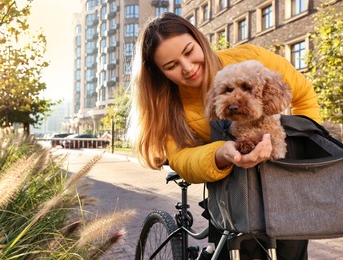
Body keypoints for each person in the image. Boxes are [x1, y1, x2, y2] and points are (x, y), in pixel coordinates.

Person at [128, 12, 321, 260]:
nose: (187, 68)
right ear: (160, 73)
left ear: (199, 40)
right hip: (230, 191)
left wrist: (301, 145)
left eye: (189, 52)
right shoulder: (167, 105)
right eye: (171, 66)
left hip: (284, 187)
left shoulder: (252, 59)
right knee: (232, 248)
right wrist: (221, 153)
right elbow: (181, 157)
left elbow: (303, 95)